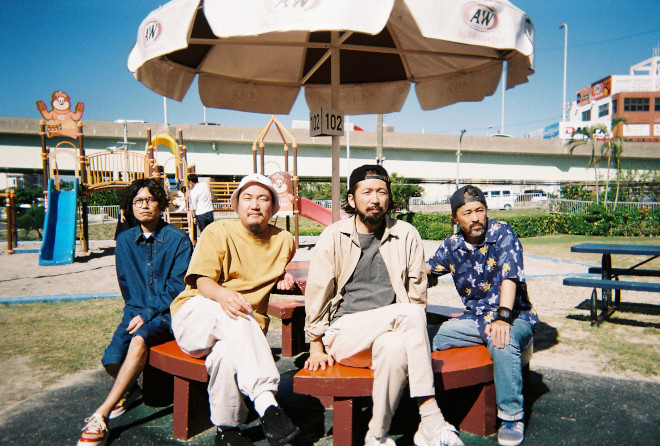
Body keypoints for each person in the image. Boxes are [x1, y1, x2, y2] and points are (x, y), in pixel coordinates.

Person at [304, 165, 464, 446]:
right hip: (346, 334)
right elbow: (318, 290)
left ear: (389, 198)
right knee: (410, 314)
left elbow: (417, 292)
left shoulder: (406, 233)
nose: (375, 199)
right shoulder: (333, 235)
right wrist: (315, 343)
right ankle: (430, 416)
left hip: (391, 332)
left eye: (381, 192)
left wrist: (410, 332)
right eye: (367, 192)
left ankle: (377, 435)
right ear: (352, 199)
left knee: (394, 348)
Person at [170, 173, 301, 446]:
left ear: (273, 207)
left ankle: (226, 430)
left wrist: (282, 274)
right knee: (235, 310)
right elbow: (202, 281)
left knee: (226, 354)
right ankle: (266, 403)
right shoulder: (217, 232)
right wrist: (223, 295)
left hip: (241, 329)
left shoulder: (285, 241)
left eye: (263, 199)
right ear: (236, 204)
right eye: (247, 198)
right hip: (198, 317)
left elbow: (266, 267)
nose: (255, 205)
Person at [78, 178, 193, 446]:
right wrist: (136, 312)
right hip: (136, 310)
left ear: (161, 205)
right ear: (130, 206)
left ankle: (101, 415)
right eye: (138, 201)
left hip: (167, 313)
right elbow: (126, 283)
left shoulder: (178, 240)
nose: (144, 205)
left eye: (150, 199)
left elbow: (178, 287)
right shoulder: (124, 240)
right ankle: (130, 390)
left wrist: (149, 312)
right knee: (111, 358)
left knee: (139, 339)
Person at [426, 185, 539, 446]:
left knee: (502, 340)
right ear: (455, 219)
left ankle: (511, 416)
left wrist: (503, 317)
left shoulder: (502, 233)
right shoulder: (452, 246)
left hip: (515, 316)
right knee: (425, 337)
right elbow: (426, 270)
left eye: (480, 210)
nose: (476, 218)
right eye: (467, 213)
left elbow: (510, 277)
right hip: (475, 320)